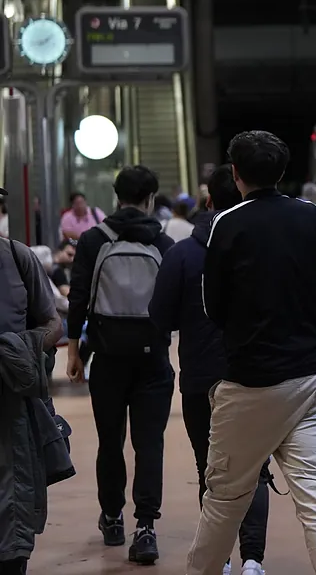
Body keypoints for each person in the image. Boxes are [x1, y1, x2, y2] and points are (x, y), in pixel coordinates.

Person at [185, 131, 316, 575]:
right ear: (283, 172)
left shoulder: (227, 223)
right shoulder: (315, 217)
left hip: (249, 385)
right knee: (315, 494)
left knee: (224, 499)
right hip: (311, 380)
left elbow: (212, 307)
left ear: (236, 175)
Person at [148, 165, 270, 575]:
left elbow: (159, 316)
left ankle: (222, 559)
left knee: (211, 468)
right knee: (256, 468)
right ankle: (254, 559)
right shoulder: (265, 248)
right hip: (256, 376)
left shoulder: (182, 254)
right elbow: (312, 307)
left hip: (201, 377)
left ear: (209, 202)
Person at [65, 166, 175, 564]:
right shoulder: (163, 242)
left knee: (110, 441)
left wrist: (76, 350)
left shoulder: (94, 239)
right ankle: (145, 529)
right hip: (153, 361)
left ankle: (112, 519)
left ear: (115, 196)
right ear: (150, 198)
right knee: (150, 445)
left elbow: (79, 296)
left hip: (107, 358)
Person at [0, 185, 68, 575]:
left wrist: (18, 350)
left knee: (14, 508)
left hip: (14, 407)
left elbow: (51, 322)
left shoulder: (17, 256)